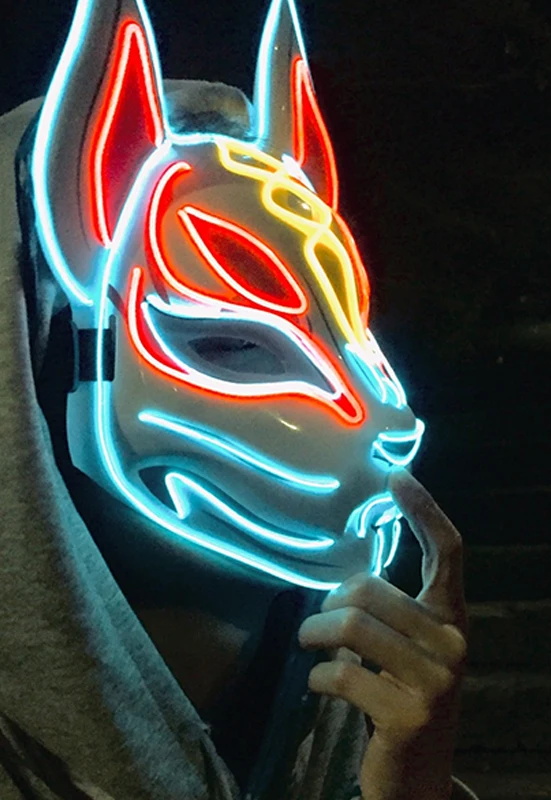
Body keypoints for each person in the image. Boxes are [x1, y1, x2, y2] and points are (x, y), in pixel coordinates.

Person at [0, 0, 477, 798]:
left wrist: (413, 786)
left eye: (350, 331)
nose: (392, 419)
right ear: (47, 363)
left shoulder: (353, 716)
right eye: (227, 343)